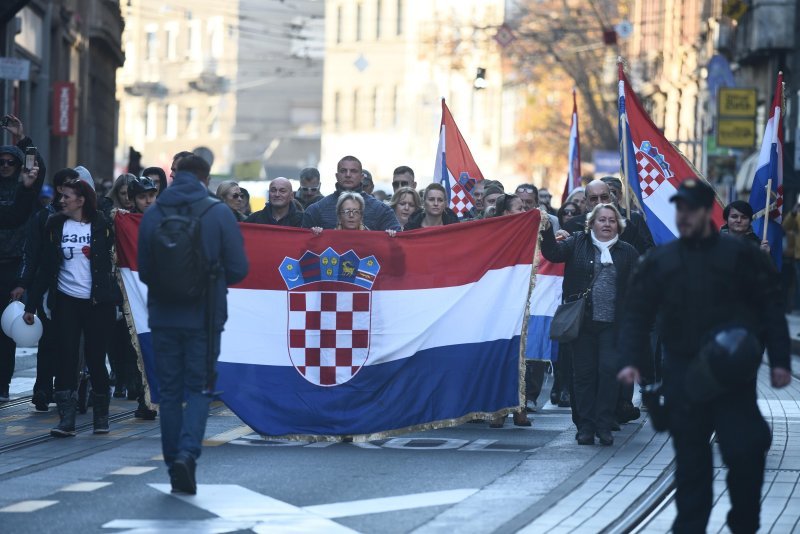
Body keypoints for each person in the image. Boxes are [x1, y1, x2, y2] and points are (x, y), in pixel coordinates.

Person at [617, 178, 791, 533]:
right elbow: (637, 312)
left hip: (732, 375)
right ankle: (690, 527)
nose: (683, 216)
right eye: (679, 209)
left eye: (691, 209)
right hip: (684, 377)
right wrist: (631, 359)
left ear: (705, 213)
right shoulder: (662, 261)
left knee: (744, 454)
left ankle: (744, 522)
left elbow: (770, 306)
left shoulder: (740, 255)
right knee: (691, 462)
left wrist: (780, 361)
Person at [138, 155, 249, 495]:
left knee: (169, 393)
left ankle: (173, 461)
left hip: (163, 315)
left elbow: (144, 270)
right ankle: (188, 453)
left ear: (174, 176)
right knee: (200, 387)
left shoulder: (154, 212)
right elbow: (239, 268)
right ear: (206, 177)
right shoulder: (217, 213)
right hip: (204, 316)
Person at [23, 178, 116, 435]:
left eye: (66, 196)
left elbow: (121, 258)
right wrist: (31, 305)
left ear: (81, 199)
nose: (61, 200)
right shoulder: (54, 225)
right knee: (66, 357)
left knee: (96, 359)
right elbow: (45, 268)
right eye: (60, 196)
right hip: (65, 301)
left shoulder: (102, 224)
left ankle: (101, 417)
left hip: (98, 303)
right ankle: (66, 419)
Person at [541, 203, 639, 446]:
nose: (606, 224)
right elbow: (552, 253)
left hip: (613, 325)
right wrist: (545, 228)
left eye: (612, 220)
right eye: (602, 220)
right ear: (591, 223)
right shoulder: (576, 242)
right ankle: (585, 426)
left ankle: (604, 425)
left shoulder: (627, 252)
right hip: (581, 323)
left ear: (619, 225)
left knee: (607, 374)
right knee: (583, 375)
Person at [11, 167, 70, 410]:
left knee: (71, 341)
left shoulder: (87, 218)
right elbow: (32, 254)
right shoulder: (43, 217)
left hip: (78, 289)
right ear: (58, 189)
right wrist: (23, 284)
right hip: (49, 288)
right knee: (48, 339)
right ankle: (43, 389)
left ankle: (68, 388)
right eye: (68, 185)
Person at [0, 145, 41, 401]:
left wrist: (22, 139)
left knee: (6, 331)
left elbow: (19, 219)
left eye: (10, 162)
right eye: (0, 162)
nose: (5, 166)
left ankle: (3, 384)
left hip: (13, 266)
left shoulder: (26, 193)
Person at [301, 156, 400, 231]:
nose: (348, 175)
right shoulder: (316, 210)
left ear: (361, 177)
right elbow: (304, 246)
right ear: (337, 176)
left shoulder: (381, 211)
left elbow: (398, 243)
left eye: (353, 171)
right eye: (343, 171)